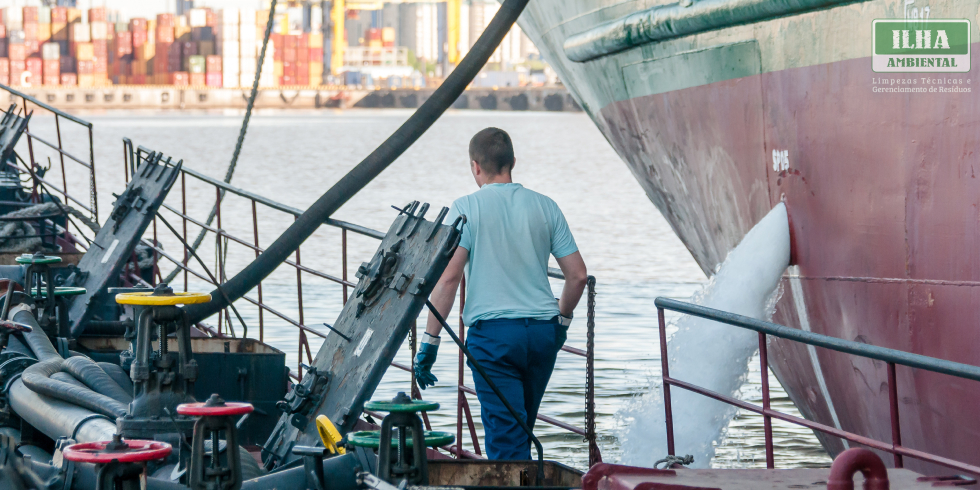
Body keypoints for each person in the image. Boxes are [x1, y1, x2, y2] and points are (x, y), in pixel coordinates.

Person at [413, 127, 588, 460]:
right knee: (520, 434)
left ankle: (516, 485)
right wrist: (561, 323)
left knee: (508, 445)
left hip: (494, 340)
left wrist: (429, 344)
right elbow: (578, 276)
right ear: (513, 162)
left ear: (475, 166)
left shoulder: (465, 208)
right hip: (541, 334)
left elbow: (449, 280)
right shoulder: (546, 206)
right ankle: (524, 482)